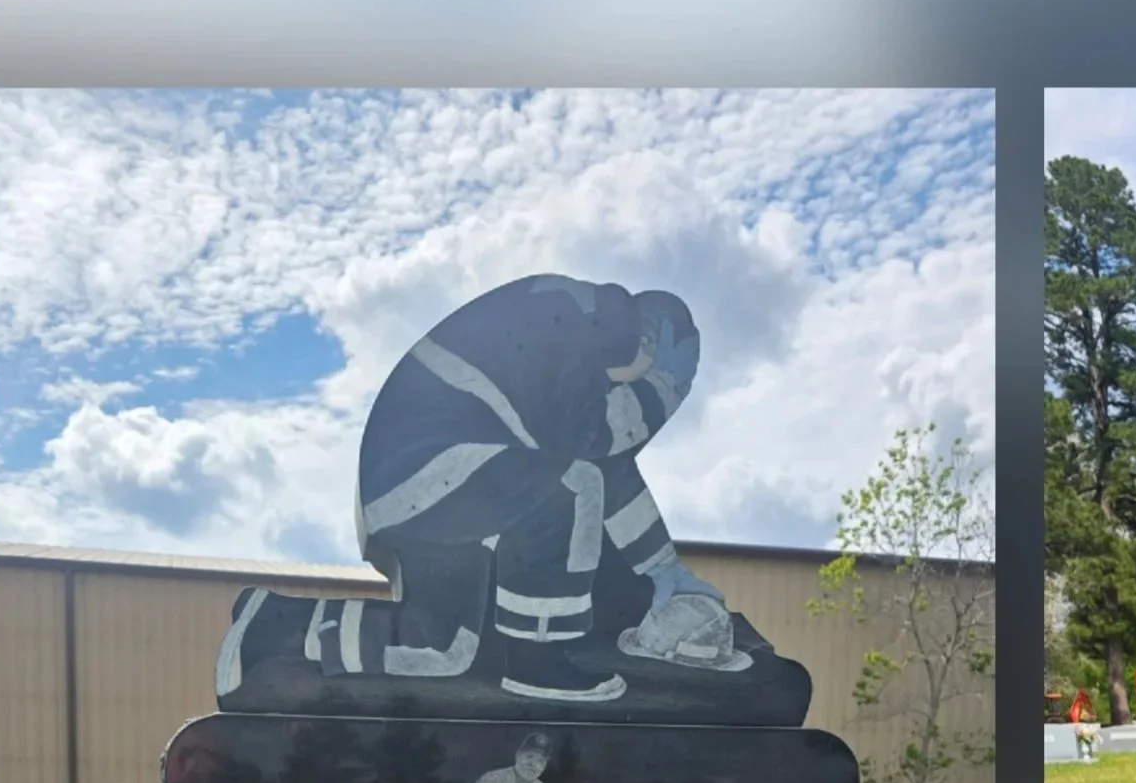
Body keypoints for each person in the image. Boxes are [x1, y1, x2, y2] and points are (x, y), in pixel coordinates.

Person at [215, 274, 750, 704]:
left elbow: (612, 469)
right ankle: (538, 663)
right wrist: (652, 400)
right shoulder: (571, 322)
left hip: (439, 480)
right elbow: (589, 449)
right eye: (663, 387)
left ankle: (274, 624)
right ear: (649, 343)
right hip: (430, 467)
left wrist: (661, 569)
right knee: (571, 485)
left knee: (442, 649)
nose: (650, 409)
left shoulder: (574, 343)